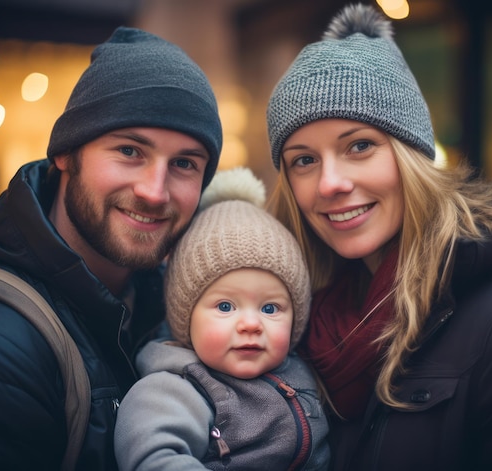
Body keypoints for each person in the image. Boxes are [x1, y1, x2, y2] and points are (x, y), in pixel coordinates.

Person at [266, 3, 492, 470]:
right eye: (304, 159)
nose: (330, 183)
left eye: (359, 146)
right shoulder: (294, 330)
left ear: (411, 158)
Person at [0, 26, 222, 470]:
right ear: (66, 153)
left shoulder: (169, 310)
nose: (154, 190)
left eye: (184, 164)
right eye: (129, 150)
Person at [114, 167, 330, 471]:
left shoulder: (303, 373)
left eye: (270, 309)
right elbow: (156, 458)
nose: (251, 324)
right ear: (185, 316)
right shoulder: (174, 390)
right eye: (226, 306)